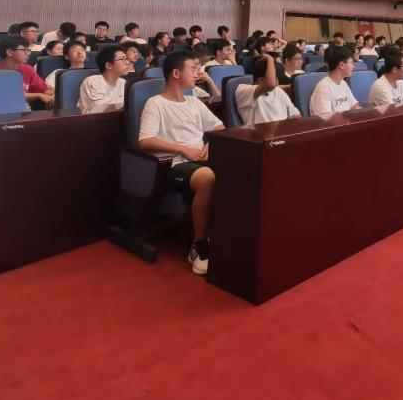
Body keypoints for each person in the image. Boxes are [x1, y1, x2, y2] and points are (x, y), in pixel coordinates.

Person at [137, 51, 224, 275]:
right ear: (176, 73)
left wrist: (210, 144)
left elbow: (219, 127)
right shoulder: (155, 103)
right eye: (192, 69)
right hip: (174, 164)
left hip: (201, 159)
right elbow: (145, 140)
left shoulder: (194, 102)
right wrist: (183, 149)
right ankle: (199, 244)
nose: (197, 73)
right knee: (207, 177)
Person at [0, 35, 53, 105]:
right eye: (24, 50)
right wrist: (38, 95)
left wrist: (54, 96)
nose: (28, 53)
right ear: (9, 52)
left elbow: (44, 90)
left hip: (23, 109)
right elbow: (4, 96)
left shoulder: (27, 69)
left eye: (28, 50)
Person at [235, 54, 300, 125]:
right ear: (261, 80)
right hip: (258, 131)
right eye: (275, 78)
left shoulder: (278, 91)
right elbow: (270, 84)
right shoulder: (244, 90)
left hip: (282, 129)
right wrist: (270, 59)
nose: (277, 82)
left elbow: (295, 115)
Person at [77, 44, 129, 114]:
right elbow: (95, 112)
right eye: (122, 59)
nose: (128, 62)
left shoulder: (124, 83)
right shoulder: (92, 82)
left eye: (126, 59)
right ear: (109, 65)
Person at [309, 44, 359, 115]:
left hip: (347, 120)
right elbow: (325, 118)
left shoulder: (343, 83)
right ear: (341, 65)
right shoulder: (323, 88)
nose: (353, 66)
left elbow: (353, 105)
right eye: (351, 63)